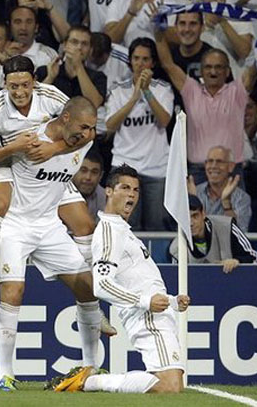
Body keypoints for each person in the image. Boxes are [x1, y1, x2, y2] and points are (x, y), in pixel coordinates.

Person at [0, 56, 95, 311]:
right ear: (4, 84)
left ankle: (89, 297)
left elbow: (86, 130)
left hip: (48, 165)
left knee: (84, 223)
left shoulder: (52, 97)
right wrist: (14, 147)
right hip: (6, 160)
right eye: (13, 86)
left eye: (25, 85)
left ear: (35, 82)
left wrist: (54, 149)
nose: (19, 92)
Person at [52, 164, 190, 394]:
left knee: (170, 384)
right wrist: (146, 302)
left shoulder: (122, 230)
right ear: (108, 191)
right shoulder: (108, 231)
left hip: (156, 313)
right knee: (170, 386)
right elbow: (102, 284)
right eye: (125, 188)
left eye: (135, 190)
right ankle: (88, 381)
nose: (131, 195)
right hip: (146, 316)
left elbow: (139, 279)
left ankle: (89, 380)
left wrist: (173, 301)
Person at [0, 96, 100, 391]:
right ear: (65, 118)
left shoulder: (83, 140)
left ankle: (91, 367)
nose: (88, 134)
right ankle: (5, 375)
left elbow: (80, 141)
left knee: (87, 287)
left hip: (49, 225)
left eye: (92, 128)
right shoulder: (28, 139)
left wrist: (55, 148)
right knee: (13, 292)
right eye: (83, 127)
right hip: (15, 225)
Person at [155, 27, 255, 184]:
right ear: (201, 71)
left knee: (234, 209)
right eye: (208, 67)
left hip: (231, 171)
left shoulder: (237, 92)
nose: (213, 71)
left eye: (218, 67)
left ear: (227, 72)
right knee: (197, 210)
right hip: (198, 171)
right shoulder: (191, 90)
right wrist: (157, 30)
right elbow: (168, 64)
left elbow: (254, 69)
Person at [106, 37, 173, 230]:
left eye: (145, 59)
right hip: (124, 166)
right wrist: (134, 98)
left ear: (152, 63)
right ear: (130, 61)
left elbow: (165, 120)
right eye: (136, 58)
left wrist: (146, 92)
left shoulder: (163, 88)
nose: (140, 63)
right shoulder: (118, 90)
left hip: (156, 169)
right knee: (125, 226)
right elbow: (110, 125)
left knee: (157, 226)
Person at [169, 195, 257, 272]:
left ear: (203, 214)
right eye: (186, 218)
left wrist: (237, 261)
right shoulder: (176, 248)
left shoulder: (227, 227)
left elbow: (255, 259)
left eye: (195, 216)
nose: (191, 223)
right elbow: (176, 279)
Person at [198, 0, 254, 79]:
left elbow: (244, 52)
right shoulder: (193, 20)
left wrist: (222, 21)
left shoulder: (240, 18)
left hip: (232, 83)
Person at [37, 25, 106, 108]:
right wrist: (50, 78)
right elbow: (34, 102)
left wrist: (78, 66)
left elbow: (94, 103)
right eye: (74, 42)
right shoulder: (44, 71)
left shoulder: (98, 77)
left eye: (84, 44)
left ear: (90, 50)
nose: (79, 47)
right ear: (65, 45)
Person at [189, 146, 252, 232]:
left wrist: (226, 203)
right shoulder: (196, 192)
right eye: (210, 161)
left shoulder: (242, 198)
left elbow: (240, 233)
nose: (213, 166)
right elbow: (189, 228)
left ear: (231, 166)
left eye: (219, 162)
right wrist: (193, 201)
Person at [72, 148, 106, 222]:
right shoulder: (59, 193)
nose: (88, 177)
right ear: (73, 171)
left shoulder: (105, 198)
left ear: (100, 176)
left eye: (94, 172)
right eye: (83, 170)